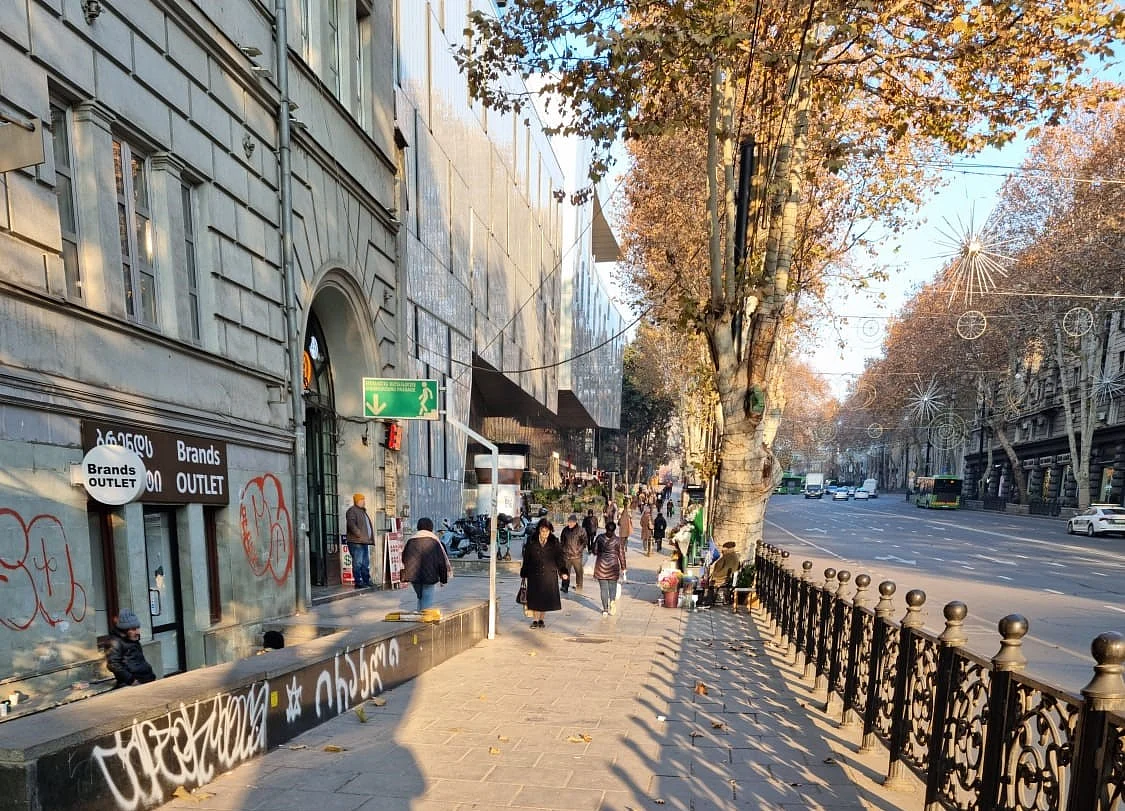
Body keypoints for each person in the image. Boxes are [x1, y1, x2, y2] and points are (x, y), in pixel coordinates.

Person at [520, 518, 568, 628]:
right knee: (535, 598)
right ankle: (535, 620)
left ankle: (541, 619)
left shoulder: (554, 542)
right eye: (543, 531)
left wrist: (563, 571)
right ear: (539, 530)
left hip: (548, 575)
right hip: (534, 574)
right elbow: (526, 557)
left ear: (550, 531)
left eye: (547, 531)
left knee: (545, 599)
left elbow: (560, 558)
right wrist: (524, 572)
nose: (545, 533)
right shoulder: (531, 540)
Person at [401, 517, 450, 610]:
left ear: (418, 527)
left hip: (413, 577)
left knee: (421, 598)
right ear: (431, 527)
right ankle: (423, 618)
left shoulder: (411, 541)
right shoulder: (434, 541)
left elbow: (404, 558)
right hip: (430, 577)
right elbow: (441, 562)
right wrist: (443, 579)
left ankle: (419, 615)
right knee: (426, 602)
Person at [106, 609, 156, 688]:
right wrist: (131, 680)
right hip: (134, 683)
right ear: (124, 630)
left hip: (146, 679)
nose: (138, 632)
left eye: (138, 628)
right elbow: (113, 664)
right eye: (133, 629)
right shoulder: (115, 642)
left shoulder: (132, 639)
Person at [592, 520, 627, 617]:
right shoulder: (618, 540)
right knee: (612, 587)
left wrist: (599, 551)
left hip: (601, 566)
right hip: (613, 566)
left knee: (603, 589)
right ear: (614, 529)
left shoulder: (600, 538)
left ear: (606, 528)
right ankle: (612, 601)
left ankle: (605, 609)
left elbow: (594, 551)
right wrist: (624, 567)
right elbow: (621, 555)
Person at [345, 493, 375, 588]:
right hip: (356, 542)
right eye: (362, 500)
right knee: (358, 563)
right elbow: (351, 524)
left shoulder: (362, 511)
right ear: (357, 501)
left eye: (364, 500)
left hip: (364, 541)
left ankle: (366, 580)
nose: (364, 502)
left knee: (365, 563)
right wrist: (359, 534)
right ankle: (358, 582)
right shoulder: (352, 511)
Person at [559, 513, 588, 593]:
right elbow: (562, 540)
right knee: (565, 572)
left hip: (577, 556)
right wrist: (563, 549)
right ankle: (565, 586)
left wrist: (579, 550)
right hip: (567, 555)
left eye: (571, 522)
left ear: (575, 522)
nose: (570, 524)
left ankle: (579, 586)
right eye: (569, 522)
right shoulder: (565, 530)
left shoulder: (581, 530)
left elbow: (585, 541)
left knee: (579, 572)